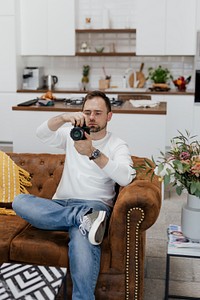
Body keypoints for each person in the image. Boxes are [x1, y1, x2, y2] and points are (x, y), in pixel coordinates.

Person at [12, 90, 136, 300]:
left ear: (109, 116)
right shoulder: (72, 134)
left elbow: (126, 177)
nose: (92, 117)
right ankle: (80, 217)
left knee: (82, 244)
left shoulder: (117, 144)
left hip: (95, 206)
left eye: (98, 112)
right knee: (20, 201)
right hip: (63, 206)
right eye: (87, 112)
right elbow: (42, 133)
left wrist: (92, 153)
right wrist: (62, 118)